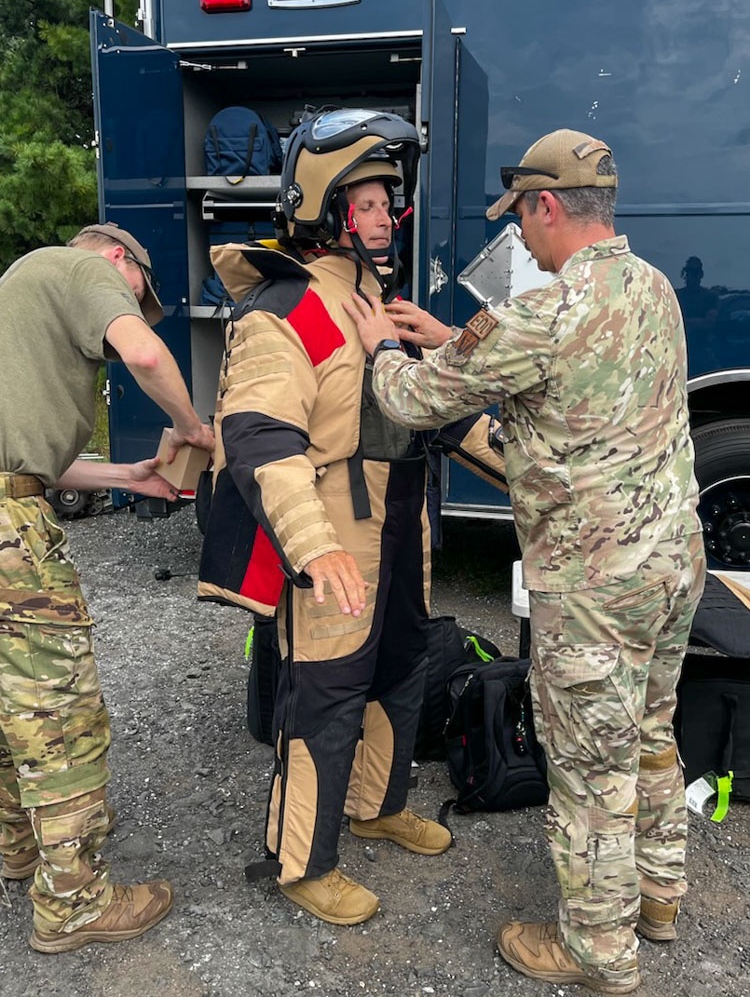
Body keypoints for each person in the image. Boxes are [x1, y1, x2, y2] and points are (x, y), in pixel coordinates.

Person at [345, 129, 706, 993]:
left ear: (548, 207)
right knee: (651, 733)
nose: (525, 240)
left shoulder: (543, 312)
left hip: (594, 587)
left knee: (588, 766)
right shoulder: (652, 287)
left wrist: (382, 348)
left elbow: (409, 397)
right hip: (671, 567)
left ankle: (596, 952)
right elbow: (556, 375)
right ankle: (659, 897)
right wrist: (450, 332)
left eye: (523, 219)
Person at [197, 108, 507, 926]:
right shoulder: (286, 305)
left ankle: (375, 804)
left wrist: (540, 474)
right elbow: (258, 440)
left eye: (386, 203)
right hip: (335, 533)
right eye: (364, 203)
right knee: (325, 695)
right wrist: (311, 546)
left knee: (401, 672)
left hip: (404, 526)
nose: (382, 218)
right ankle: (303, 862)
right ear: (322, 205)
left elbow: (438, 413)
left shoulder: (383, 306)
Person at [0, 222, 215, 953]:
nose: (132, 306)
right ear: (122, 261)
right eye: (138, 295)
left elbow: (34, 467)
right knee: (61, 715)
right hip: (10, 536)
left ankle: (18, 847)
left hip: (9, 497)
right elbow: (146, 352)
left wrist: (127, 475)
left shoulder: (21, 290)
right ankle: (74, 905)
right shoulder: (83, 269)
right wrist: (190, 427)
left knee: (11, 701)